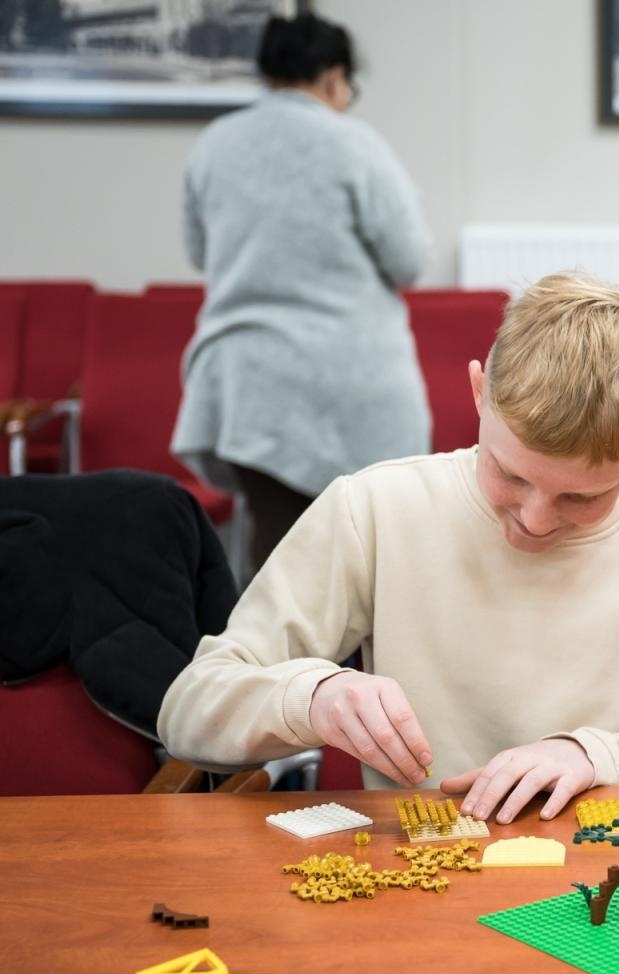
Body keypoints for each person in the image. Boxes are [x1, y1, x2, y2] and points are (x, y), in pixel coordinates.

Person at [161, 274, 619, 822]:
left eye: (581, 497)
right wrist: (312, 697)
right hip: (418, 883)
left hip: (608, 893)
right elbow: (188, 714)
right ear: (479, 393)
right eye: (511, 475)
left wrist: (598, 758)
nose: (534, 520)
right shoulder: (374, 509)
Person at [171, 13, 432, 571]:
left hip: (250, 387)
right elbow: (409, 260)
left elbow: (199, 252)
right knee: (372, 555)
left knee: (278, 557)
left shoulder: (214, 144)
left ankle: (267, 660)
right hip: (354, 385)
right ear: (335, 76)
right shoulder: (356, 144)